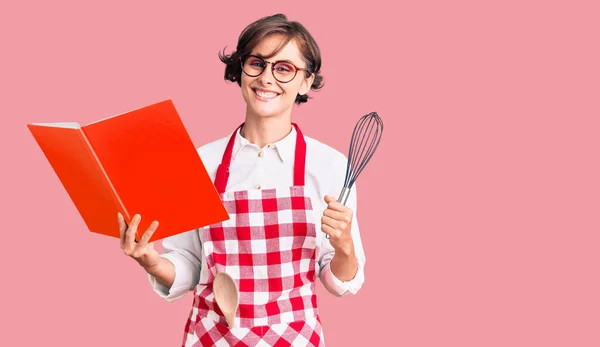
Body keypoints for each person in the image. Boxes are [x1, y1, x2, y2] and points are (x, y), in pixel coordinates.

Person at [118, 13, 366, 347]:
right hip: (211, 338)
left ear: (306, 82)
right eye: (257, 63)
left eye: (284, 68)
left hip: (294, 338)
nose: (267, 78)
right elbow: (190, 266)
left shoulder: (332, 167)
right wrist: (151, 260)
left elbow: (339, 282)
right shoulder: (200, 162)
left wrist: (345, 246)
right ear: (240, 70)